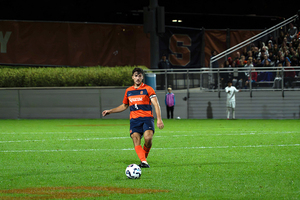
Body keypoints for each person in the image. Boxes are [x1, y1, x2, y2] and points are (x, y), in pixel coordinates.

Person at [102, 68, 164, 168]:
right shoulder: (128, 91)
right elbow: (124, 106)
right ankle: (144, 162)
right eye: (136, 75)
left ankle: (143, 159)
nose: (137, 78)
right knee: (135, 138)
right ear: (132, 77)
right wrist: (110, 111)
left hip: (147, 118)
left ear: (142, 77)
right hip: (134, 120)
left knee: (148, 139)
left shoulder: (148, 89)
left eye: (139, 76)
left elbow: (156, 104)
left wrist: (159, 119)